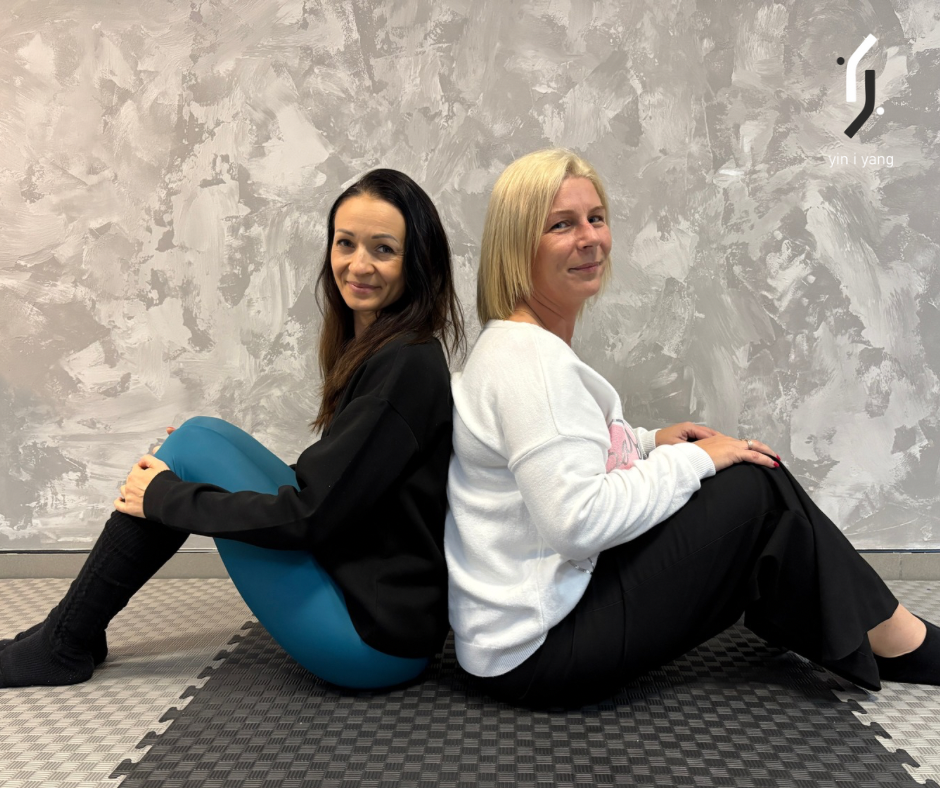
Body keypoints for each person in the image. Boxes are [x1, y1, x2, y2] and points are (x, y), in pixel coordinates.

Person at [444, 148, 939, 710]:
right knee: (756, 490)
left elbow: (563, 452)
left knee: (746, 477)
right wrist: (695, 461)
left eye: (596, 218)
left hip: (521, 635)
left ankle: (874, 628)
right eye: (562, 225)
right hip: (539, 653)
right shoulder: (531, 364)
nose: (590, 239)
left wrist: (650, 442)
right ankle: (898, 639)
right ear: (517, 245)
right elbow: (577, 522)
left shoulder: (516, 346)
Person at [1, 168, 464, 690]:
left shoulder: (404, 365)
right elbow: (343, 487)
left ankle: (64, 642)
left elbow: (311, 516)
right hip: (378, 611)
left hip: (371, 642)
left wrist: (167, 499)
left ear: (417, 261)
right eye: (345, 243)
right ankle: (72, 632)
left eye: (383, 249)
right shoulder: (391, 352)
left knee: (187, 456)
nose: (359, 264)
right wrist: (178, 485)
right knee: (196, 438)